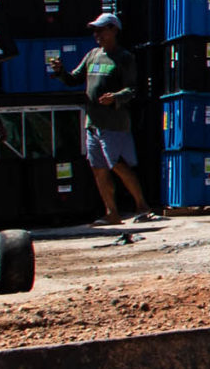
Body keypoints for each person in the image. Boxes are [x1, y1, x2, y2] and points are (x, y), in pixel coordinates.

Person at [48, 13, 157, 224]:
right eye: (95, 30)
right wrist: (61, 72)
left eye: (101, 29)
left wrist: (115, 98)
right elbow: (73, 79)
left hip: (113, 123)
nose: (96, 34)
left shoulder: (124, 57)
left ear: (114, 30)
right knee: (98, 169)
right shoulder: (92, 55)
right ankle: (111, 213)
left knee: (117, 165)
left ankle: (142, 207)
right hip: (93, 123)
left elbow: (132, 89)